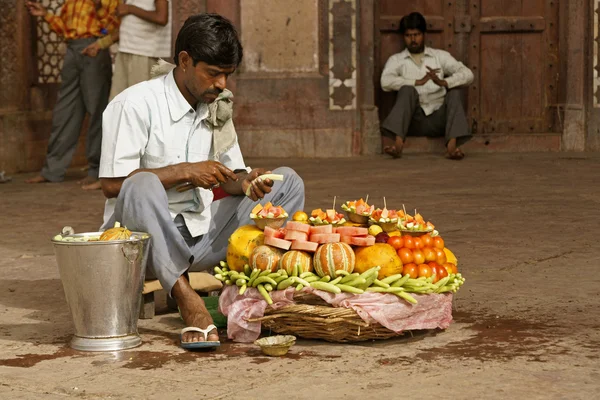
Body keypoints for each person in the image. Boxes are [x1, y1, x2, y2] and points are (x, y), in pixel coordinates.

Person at [98, 13, 305, 349]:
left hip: (200, 238)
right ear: (184, 61)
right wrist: (186, 171)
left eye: (227, 75)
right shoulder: (135, 104)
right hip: (143, 246)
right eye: (213, 73)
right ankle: (186, 298)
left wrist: (248, 181)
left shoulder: (215, 105)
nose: (222, 83)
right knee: (141, 184)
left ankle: (252, 290)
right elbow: (112, 185)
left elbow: (229, 179)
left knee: (289, 182)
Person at [25, 0, 119, 189]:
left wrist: (99, 7)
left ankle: (96, 170)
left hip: (94, 49)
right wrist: (45, 15)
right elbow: (65, 29)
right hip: (72, 50)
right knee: (64, 110)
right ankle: (52, 170)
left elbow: (114, 27)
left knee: (96, 111)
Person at [380, 12, 474, 160]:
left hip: (440, 119)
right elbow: (385, 82)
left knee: (454, 94)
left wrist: (444, 82)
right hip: (412, 120)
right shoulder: (397, 60)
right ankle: (397, 144)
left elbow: (468, 74)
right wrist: (417, 82)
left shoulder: (439, 56)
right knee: (407, 90)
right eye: (408, 36)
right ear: (404, 37)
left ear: (424, 34)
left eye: (416, 34)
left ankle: (452, 145)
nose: (413, 40)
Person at [81, 0, 172, 100]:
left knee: (139, 104)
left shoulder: (130, 7)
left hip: (143, 54)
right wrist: (100, 44)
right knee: (117, 103)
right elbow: (130, 27)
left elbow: (161, 17)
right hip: (125, 50)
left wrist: (130, 8)